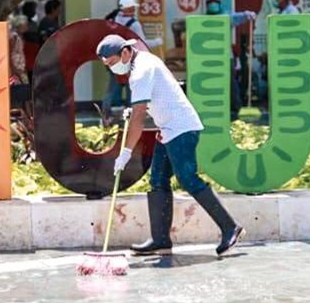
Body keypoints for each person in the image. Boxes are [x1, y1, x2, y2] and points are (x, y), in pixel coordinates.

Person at [97, 34, 244, 256]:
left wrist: (125, 152)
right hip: (168, 129)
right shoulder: (142, 60)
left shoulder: (141, 71)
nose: (111, 68)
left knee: (187, 178)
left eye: (112, 63)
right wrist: (135, 110)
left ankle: (230, 228)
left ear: (125, 52)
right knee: (157, 180)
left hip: (181, 128)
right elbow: (153, 99)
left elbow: (138, 118)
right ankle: (161, 241)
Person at [205, 0, 256, 117]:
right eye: (210, 2)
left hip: (226, 57)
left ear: (219, 4)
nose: (213, 4)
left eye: (215, 2)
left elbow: (237, 17)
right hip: (209, 57)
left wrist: (247, 15)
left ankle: (236, 107)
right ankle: (216, 107)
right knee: (213, 83)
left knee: (231, 83)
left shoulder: (226, 18)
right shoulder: (203, 20)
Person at [101, 0, 146, 122]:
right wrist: (158, 41)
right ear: (129, 8)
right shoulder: (134, 24)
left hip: (112, 58)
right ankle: (131, 118)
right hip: (129, 59)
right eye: (132, 8)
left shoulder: (111, 20)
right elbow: (142, 43)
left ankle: (106, 116)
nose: (134, 10)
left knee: (113, 87)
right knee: (132, 88)